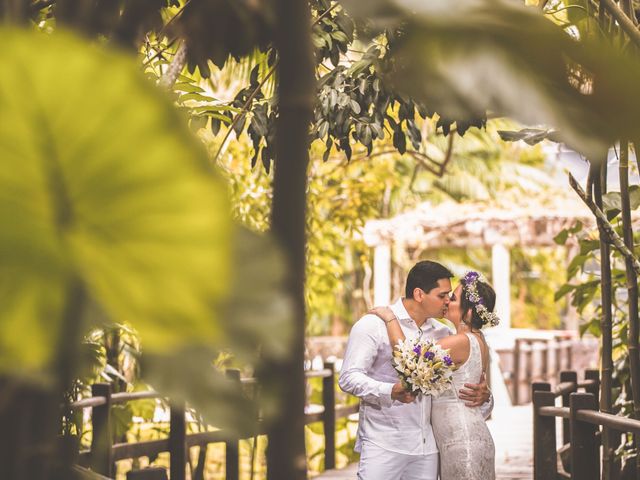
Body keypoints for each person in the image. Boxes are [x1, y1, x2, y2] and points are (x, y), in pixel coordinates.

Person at [339, 261, 493, 480]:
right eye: (442, 296)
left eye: (451, 296)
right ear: (420, 294)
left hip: (428, 448)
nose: (447, 301)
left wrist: (485, 397)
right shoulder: (373, 325)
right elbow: (348, 377)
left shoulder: (443, 334)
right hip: (384, 442)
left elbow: (459, 379)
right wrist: (390, 390)